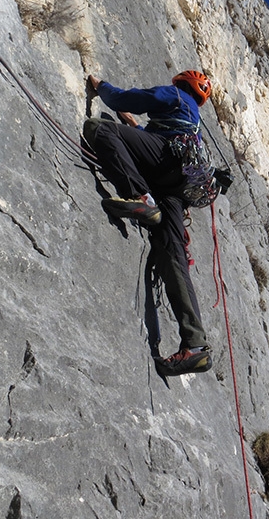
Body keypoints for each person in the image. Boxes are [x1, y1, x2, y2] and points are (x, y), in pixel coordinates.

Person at [84, 70, 214, 377]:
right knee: (174, 256)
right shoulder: (192, 121)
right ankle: (195, 345)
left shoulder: (175, 95)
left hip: (163, 164)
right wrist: (138, 128)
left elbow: (128, 99)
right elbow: (161, 138)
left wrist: (102, 86)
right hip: (177, 185)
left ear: (182, 84)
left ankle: (140, 197)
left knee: (99, 129)